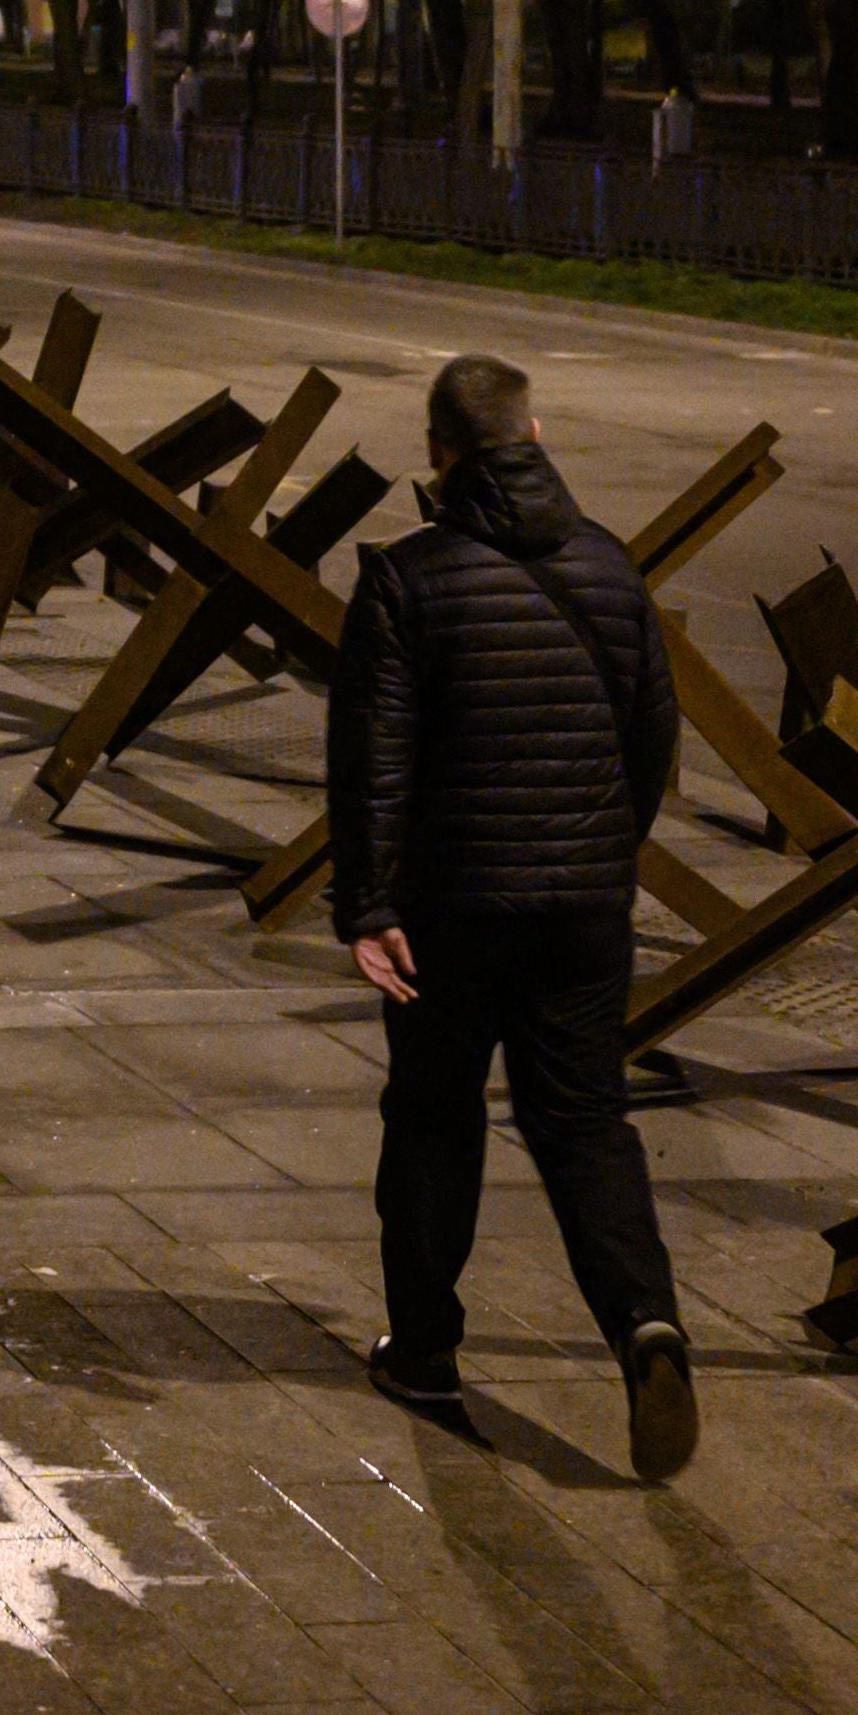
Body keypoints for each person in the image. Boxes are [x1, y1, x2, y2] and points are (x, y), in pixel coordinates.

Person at [328, 348, 695, 1478]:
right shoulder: (612, 565)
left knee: (436, 1114)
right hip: (585, 904)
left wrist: (370, 902)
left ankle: (426, 1350)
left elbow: (372, 759)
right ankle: (645, 1321)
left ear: (438, 453)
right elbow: (653, 741)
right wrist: (597, 855)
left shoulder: (406, 576)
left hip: (455, 903)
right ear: (534, 438)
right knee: (585, 1120)